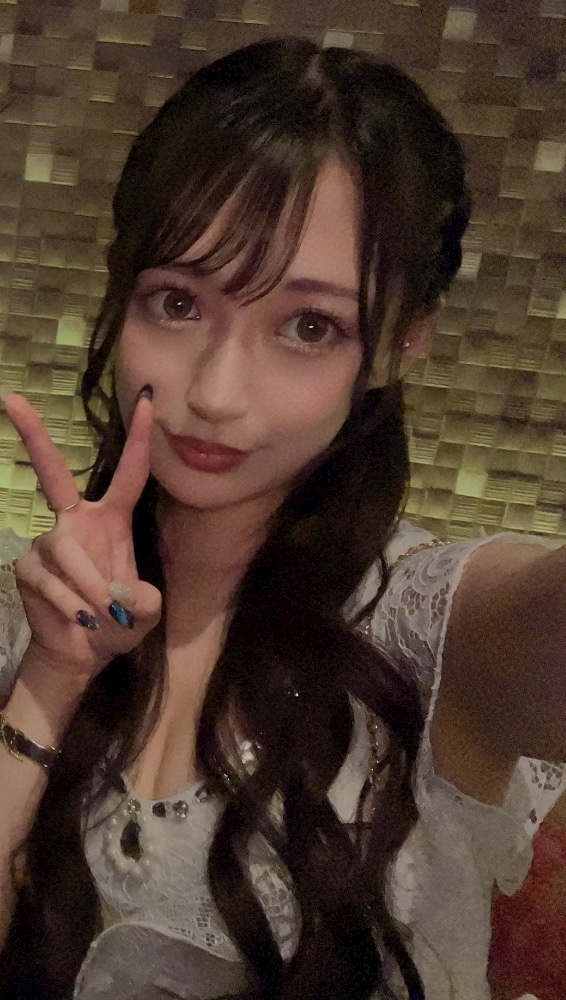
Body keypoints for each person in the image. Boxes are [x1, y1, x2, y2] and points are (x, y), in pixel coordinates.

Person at [0, 36, 564, 1000]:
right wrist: (50, 682)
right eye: (178, 302)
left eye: (309, 326)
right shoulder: (30, 612)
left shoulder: (426, 633)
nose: (216, 394)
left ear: (399, 343)